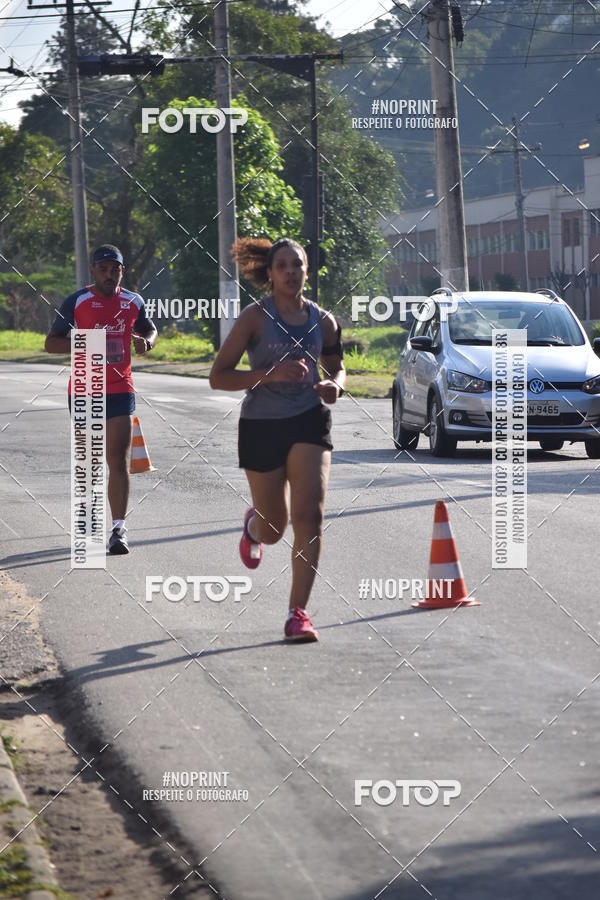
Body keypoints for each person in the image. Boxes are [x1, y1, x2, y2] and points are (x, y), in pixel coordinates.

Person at [209, 237, 345, 642]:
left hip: (308, 420)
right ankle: (254, 528)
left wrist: (335, 385)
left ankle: (297, 613)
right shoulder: (254, 318)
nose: (290, 272)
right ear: (270, 273)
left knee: (310, 516)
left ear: (307, 271)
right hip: (261, 425)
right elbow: (219, 377)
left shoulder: (324, 321)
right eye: (282, 265)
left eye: (297, 265)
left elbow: (338, 367)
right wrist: (267, 375)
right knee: (275, 527)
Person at [45, 244, 157, 555]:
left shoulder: (133, 301)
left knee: (117, 461)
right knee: (91, 462)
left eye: (115, 270)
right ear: (93, 271)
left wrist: (146, 342)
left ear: (123, 271)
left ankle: (119, 530)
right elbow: (50, 343)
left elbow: (150, 329)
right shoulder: (77, 301)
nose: (109, 275)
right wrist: (85, 345)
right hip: (85, 386)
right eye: (103, 269)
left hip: (121, 389)